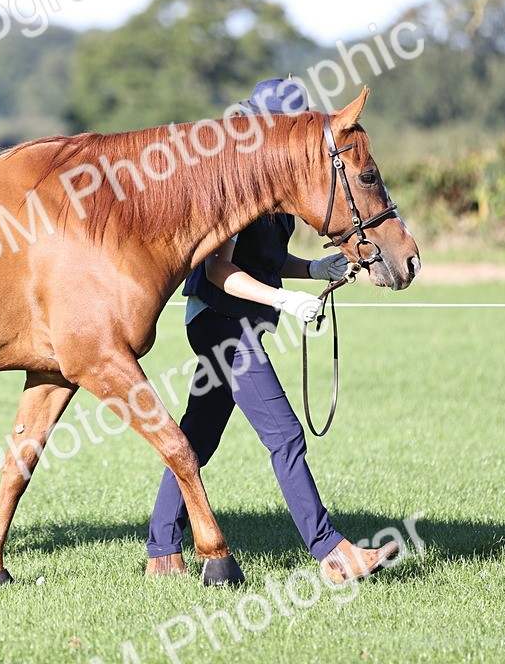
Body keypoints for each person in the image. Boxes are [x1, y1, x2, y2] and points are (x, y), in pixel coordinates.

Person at [145, 77, 398, 585]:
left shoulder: (274, 187)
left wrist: (314, 270)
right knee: (285, 436)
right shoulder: (235, 183)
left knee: (196, 439)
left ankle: (162, 551)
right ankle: (333, 554)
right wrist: (283, 299)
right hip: (221, 321)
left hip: (233, 320)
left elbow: (265, 260)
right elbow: (220, 269)